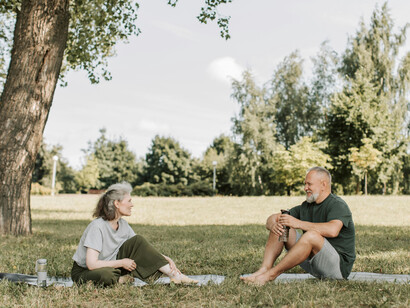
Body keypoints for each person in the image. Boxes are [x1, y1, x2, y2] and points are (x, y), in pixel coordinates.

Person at [241, 166, 355, 285]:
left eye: (309, 184)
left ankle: (270, 275)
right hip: (314, 264)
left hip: (337, 269)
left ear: (323, 185)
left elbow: (332, 230)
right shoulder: (307, 206)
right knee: (281, 223)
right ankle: (264, 269)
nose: (305, 188)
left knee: (311, 236)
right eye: (305, 184)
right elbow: (272, 218)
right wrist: (272, 225)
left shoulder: (337, 205)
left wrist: (298, 223)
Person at [71, 182, 197, 286]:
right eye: (129, 201)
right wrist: (121, 263)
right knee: (107, 275)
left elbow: (141, 249)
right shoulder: (97, 226)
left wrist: (165, 259)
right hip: (86, 271)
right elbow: (92, 264)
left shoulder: (123, 225)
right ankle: (119, 280)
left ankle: (176, 276)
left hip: (110, 265)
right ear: (117, 203)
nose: (132, 204)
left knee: (138, 240)